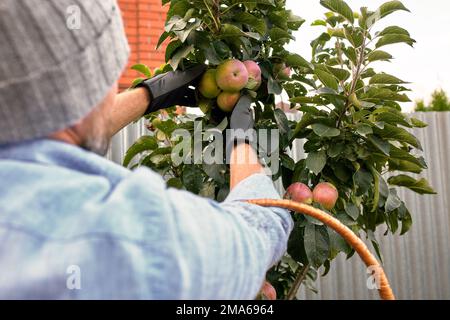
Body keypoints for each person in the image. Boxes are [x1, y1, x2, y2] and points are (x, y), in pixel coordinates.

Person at [0, 0, 292, 299]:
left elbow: (52, 123)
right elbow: (261, 227)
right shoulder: (136, 237)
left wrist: (149, 95)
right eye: (108, 77)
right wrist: (240, 142)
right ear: (88, 87)